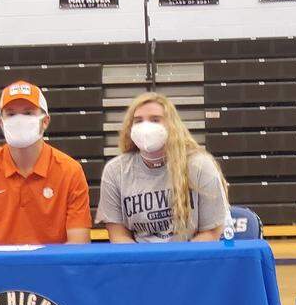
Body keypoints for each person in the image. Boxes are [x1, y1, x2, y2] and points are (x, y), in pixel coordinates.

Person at [0, 81, 92, 246]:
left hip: (52, 270)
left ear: (45, 121)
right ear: (1, 123)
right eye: (11, 114)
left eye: (28, 113)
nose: (19, 120)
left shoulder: (70, 171)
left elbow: (78, 242)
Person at [97, 92, 228, 243]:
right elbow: (118, 235)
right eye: (138, 121)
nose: (146, 126)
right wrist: (147, 264)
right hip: (140, 261)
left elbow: (211, 233)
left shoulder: (200, 165)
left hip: (190, 259)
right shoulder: (115, 171)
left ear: (172, 125)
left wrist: (175, 262)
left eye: (155, 120)